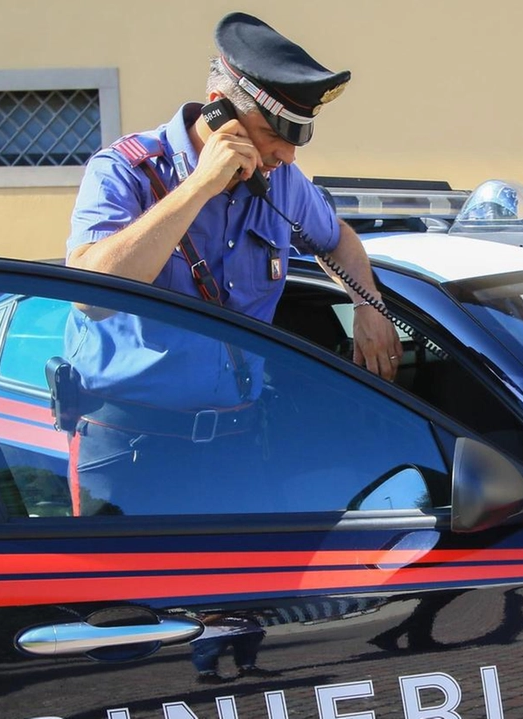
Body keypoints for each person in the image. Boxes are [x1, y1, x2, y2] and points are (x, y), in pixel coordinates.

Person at [60, 12, 402, 515]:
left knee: (241, 596)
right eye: (274, 133)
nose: (285, 153)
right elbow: (90, 293)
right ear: (220, 111)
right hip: (130, 448)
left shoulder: (279, 180)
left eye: (298, 136)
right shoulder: (125, 171)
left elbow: (339, 238)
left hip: (236, 443)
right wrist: (200, 186)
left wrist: (368, 306)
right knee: (130, 597)